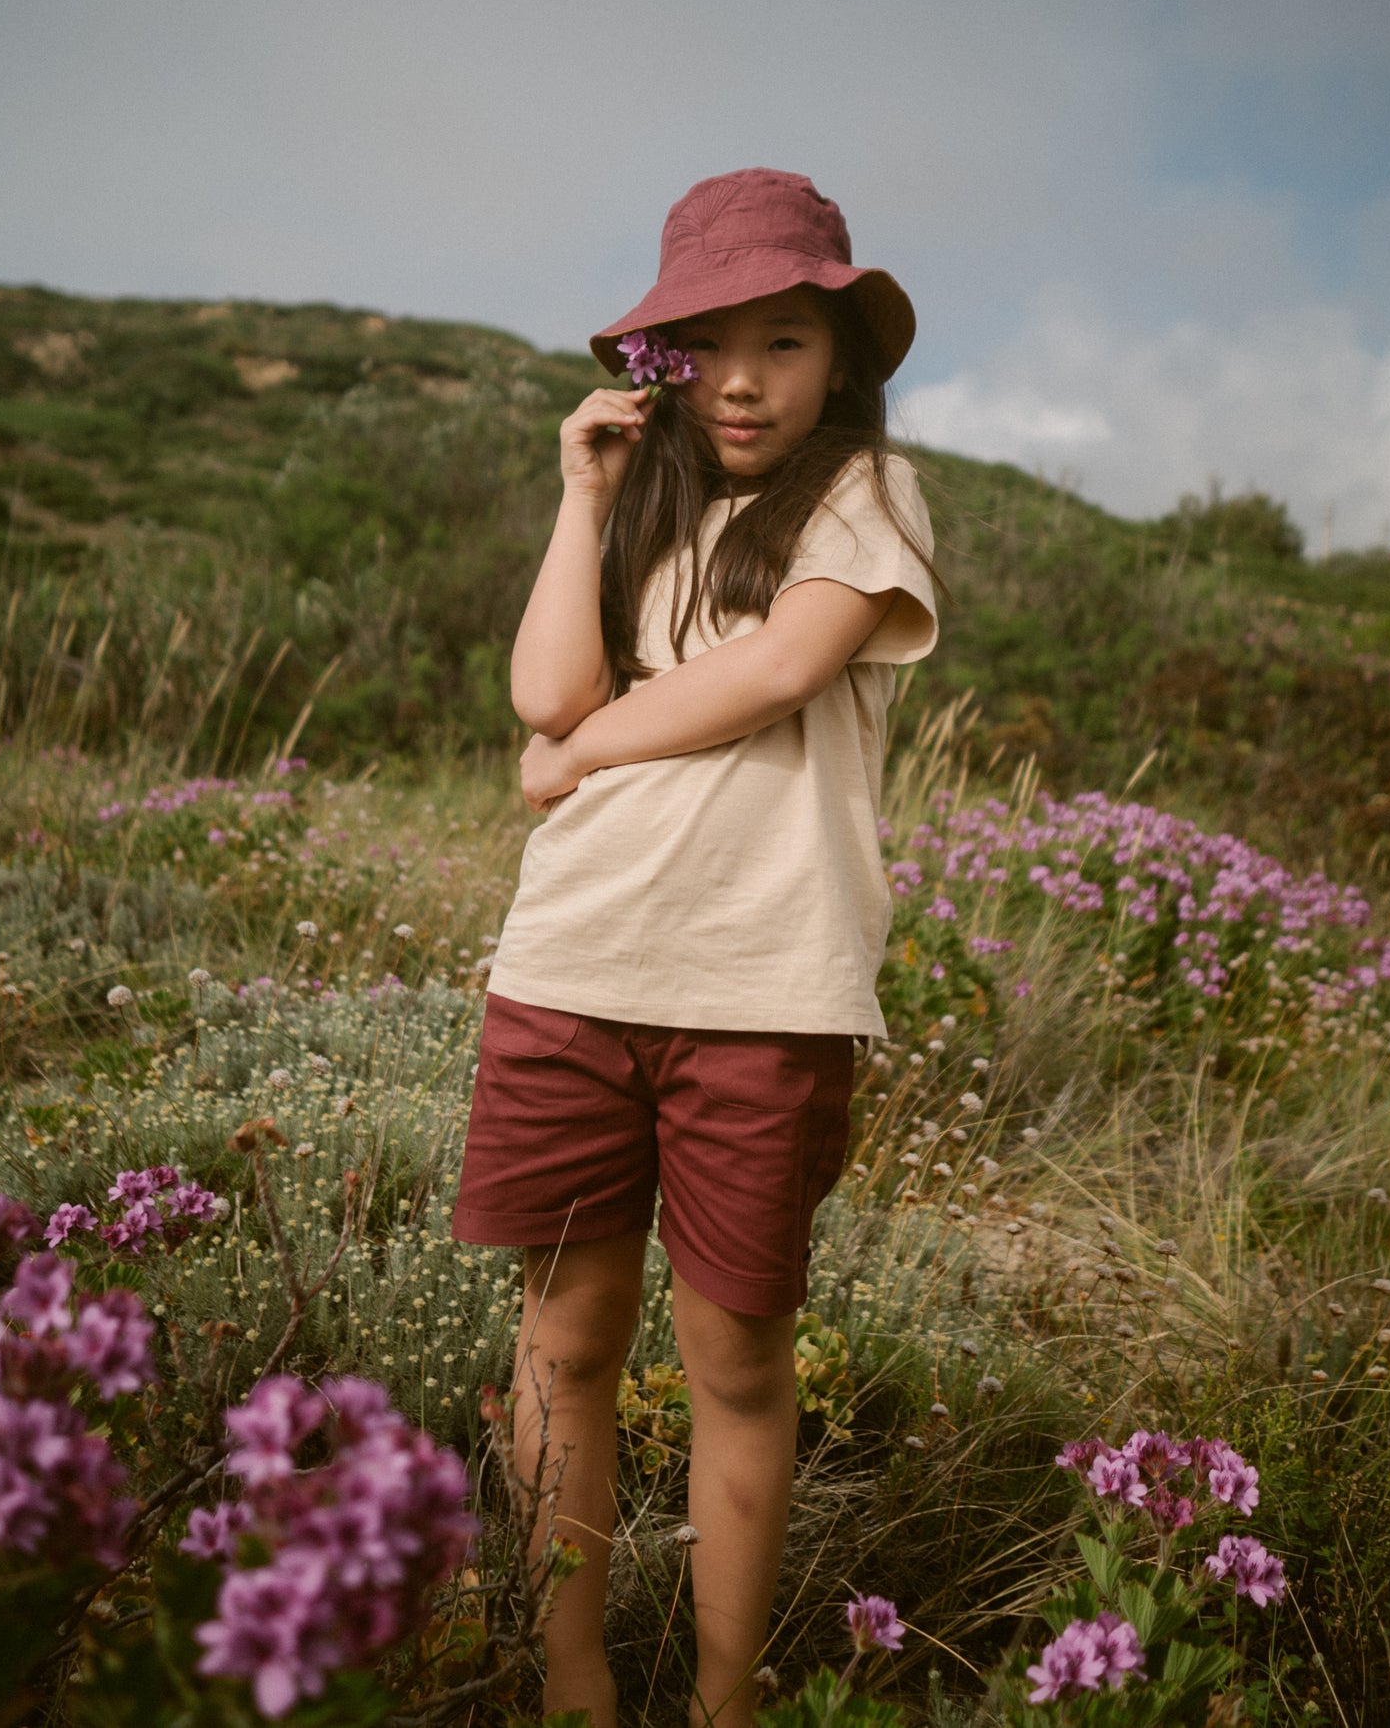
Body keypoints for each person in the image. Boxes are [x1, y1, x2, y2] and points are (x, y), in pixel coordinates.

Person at [452, 167, 939, 1728]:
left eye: (785, 340)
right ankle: (573, 1684)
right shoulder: (642, 497)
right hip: (571, 973)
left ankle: (727, 1704)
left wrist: (582, 759)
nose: (743, 378)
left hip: (760, 992)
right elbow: (543, 696)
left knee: (736, 1368)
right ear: (663, 352)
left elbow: (776, 671)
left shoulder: (865, 500)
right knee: (565, 1349)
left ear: (840, 359)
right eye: (710, 341)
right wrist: (583, 494)